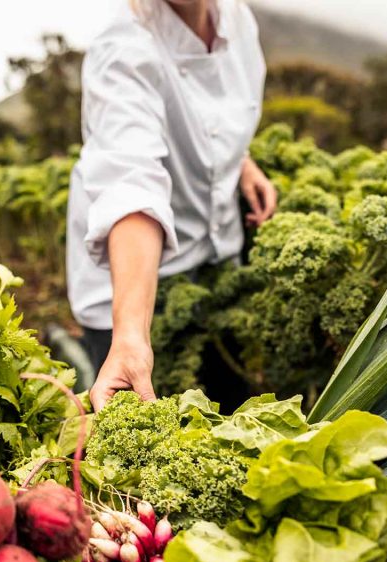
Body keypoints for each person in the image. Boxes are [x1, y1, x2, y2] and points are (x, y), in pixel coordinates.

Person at [66, 0, 277, 411]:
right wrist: (129, 337)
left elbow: (215, 116)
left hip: (213, 256)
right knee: (146, 440)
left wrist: (241, 162)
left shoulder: (236, 20)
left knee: (230, 402)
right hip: (130, 280)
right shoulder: (123, 45)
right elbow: (132, 182)